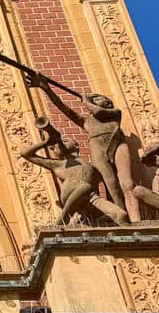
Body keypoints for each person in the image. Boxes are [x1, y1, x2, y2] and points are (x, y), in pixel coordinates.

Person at [25, 73, 139, 223]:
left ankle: (136, 219)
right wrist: (46, 88)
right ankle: (121, 215)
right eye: (98, 98)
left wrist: (86, 101)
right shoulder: (86, 121)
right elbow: (64, 109)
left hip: (118, 144)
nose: (103, 99)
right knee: (110, 183)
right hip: (98, 147)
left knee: (127, 183)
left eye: (105, 98)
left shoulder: (115, 113)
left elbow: (98, 112)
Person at [20, 117, 126, 227]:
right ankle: (63, 217)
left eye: (65, 141)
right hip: (73, 194)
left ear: (76, 145)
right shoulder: (59, 165)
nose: (60, 144)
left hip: (91, 197)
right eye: (55, 146)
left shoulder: (91, 165)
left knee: (121, 215)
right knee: (84, 186)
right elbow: (25, 154)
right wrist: (46, 142)